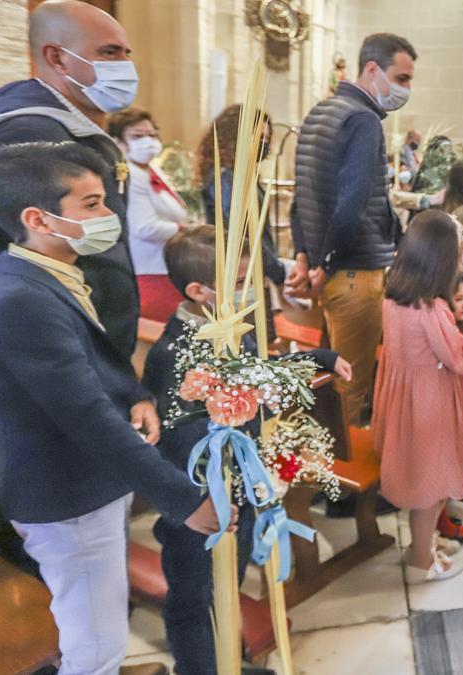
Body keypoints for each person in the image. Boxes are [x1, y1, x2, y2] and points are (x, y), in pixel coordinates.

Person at [0, 141, 224, 674]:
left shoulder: (46, 271)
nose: (109, 216)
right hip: (69, 497)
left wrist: (136, 396)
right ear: (38, 217)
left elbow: (85, 368)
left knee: (93, 620)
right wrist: (183, 498)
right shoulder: (22, 299)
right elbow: (85, 418)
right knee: (96, 644)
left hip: (82, 485)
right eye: (90, 204)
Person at [142, 225, 346, 674]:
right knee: (193, 599)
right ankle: (199, 668)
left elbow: (260, 372)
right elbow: (176, 439)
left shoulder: (233, 329)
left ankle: (227, 660)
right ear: (199, 290)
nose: (249, 290)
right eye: (237, 283)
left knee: (227, 585)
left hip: (241, 492)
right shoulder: (174, 353)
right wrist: (206, 492)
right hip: (199, 507)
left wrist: (318, 359)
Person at [0, 0, 141, 399]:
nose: (125, 65)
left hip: (80, 344)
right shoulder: (29, 132)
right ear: (57, 56)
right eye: (109, 52)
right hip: (54, 350)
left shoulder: (64, 125)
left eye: (125, 53)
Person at [371, 210, 463, 583]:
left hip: (407, 398)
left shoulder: (395, 296)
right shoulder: (429, 308)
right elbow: (462, 360)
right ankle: (422, 558)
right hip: (431, 404)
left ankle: (425, 543)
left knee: (423, 479)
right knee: (431, 486)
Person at [286, 32, 416, 428]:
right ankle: (338, 485)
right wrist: (326, 262)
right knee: (350, 385)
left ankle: (318, 473)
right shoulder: (362, 120)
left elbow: (301, 195)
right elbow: (352, 205)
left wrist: (305, 256)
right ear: (372, 69)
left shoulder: (320, 111)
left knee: (325, 378)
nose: (406, 89)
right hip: (355, 273)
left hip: (330, 272)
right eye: (403, 78)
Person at [108, 107, 187, 322]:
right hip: (151, 269)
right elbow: (144, 227)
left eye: (152, 135)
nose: (148, 141)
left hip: (167, 266)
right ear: (119, 142)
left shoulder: (150, 170)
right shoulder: (131, 174)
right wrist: (184, 230)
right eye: (137, 136)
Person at [197, 104, 286, 290]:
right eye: (259, 138)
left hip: (253, 270)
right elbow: (240, 231)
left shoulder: (242, 175)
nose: (264, 145)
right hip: (239, 275)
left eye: (267, 139)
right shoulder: (226, 178)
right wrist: (276, 269)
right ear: (236, 138)